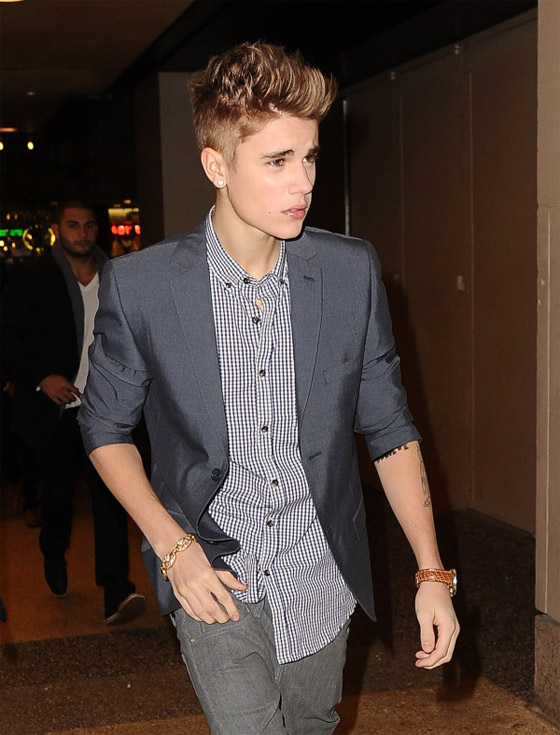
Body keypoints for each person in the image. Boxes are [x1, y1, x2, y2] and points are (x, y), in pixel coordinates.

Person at [78, 42, 459, 733]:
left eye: (309, 157)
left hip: (319, 573)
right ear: (217, 165)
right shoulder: (143, 287)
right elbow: (104, 427)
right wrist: (174, 548)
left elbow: (388, 427)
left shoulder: (349, 273)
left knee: (311, 723)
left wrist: (432, 572)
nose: (303, 183)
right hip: (214, 571)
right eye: (278, 161)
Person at [2, 200, 146, 624]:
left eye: (88, 226)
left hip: (105, 410)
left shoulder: (117, 275)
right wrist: (40, 377)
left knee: (111, 498)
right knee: (59, 497)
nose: (82, 233)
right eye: (72, 225)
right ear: (57, 229)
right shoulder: (34, 277)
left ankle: (117, 590)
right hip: (58, 410)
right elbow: (7, 336)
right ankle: (52, 551)